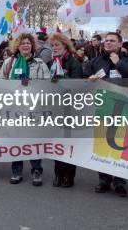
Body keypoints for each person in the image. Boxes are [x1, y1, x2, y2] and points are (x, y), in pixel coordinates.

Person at [84, 31, 128, 197]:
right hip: (103, 108)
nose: (108, 43)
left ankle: (119, 181)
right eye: (106, 41)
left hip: (123, 109)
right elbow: (84, 75)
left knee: (120, 145)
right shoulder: (97, 61)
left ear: (119, 44)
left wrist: (119, 64)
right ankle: (104, 179)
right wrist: (90, 79)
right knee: (102, 145)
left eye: (112, 41)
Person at [0, 33, 51, 185]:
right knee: (15, 139)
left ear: (32, 46)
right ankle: (16, 170)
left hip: (33, 107)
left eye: (28, 43)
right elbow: (0, 81)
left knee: (33, 140)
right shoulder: (9, 62)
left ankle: (36, 170)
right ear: (18, 46)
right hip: (14, 107)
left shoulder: (40, 63)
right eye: (23, 43)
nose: (26, 46)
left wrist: (32, 85)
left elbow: (46, 84)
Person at [47, 33, 83, 188]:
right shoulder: (50, 63)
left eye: (57, 45)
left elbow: (78, 84)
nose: (54, 48)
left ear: (65, 46)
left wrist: (61, 79)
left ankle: (69, 175)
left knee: (69, 142)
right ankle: (58, 174)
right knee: (57, 142)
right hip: (55, 107)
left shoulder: (74, 62)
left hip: (70, 108)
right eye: (53, 45)